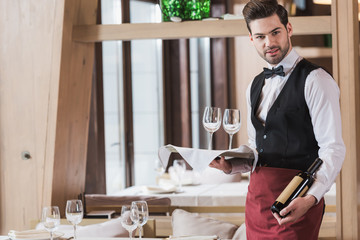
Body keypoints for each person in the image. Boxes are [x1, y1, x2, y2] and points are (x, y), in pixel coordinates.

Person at [209, 0, 346, 239]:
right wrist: (233, 165)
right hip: (257, 200)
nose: (269, 43)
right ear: (252, 39)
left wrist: (311, 198)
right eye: (260, 36)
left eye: (275, 33)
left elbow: (333, 148)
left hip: (296, 198)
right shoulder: (254, 85)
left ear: (289, 29)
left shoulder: (317, 80)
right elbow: (257, 145)